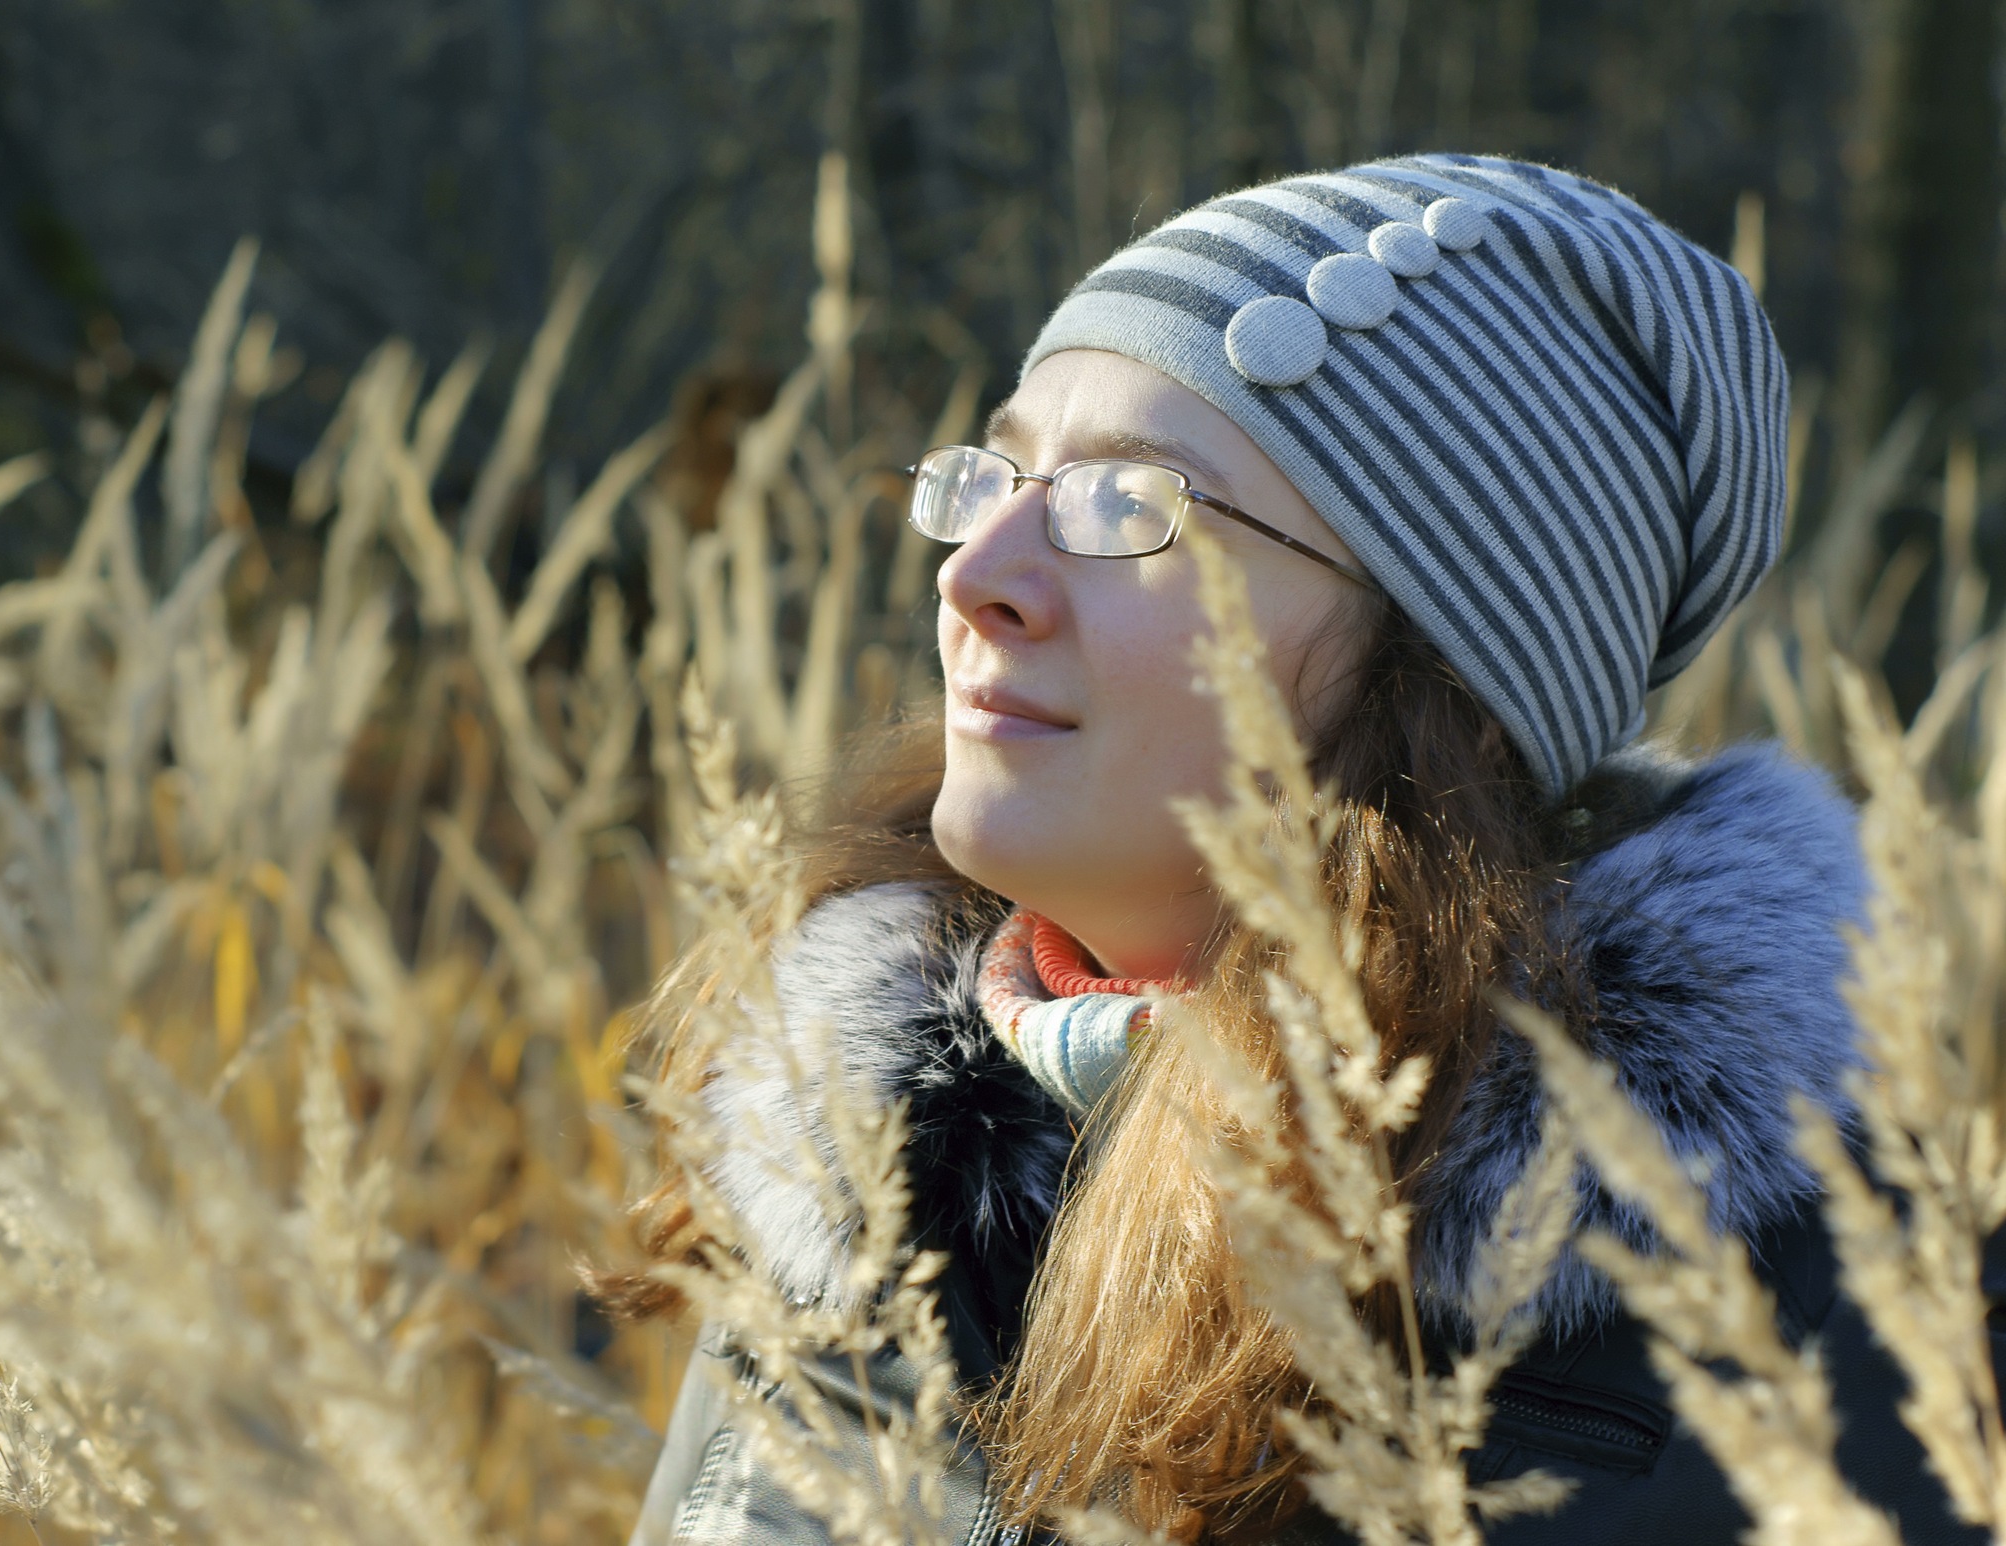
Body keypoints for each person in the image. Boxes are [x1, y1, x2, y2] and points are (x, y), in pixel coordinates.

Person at [621, 154, 1988, 1545]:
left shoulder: (1820, 1349)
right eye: (994, 477)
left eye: (1127, 504)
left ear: (1443, 681)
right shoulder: (856, 1195)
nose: (973, 574)